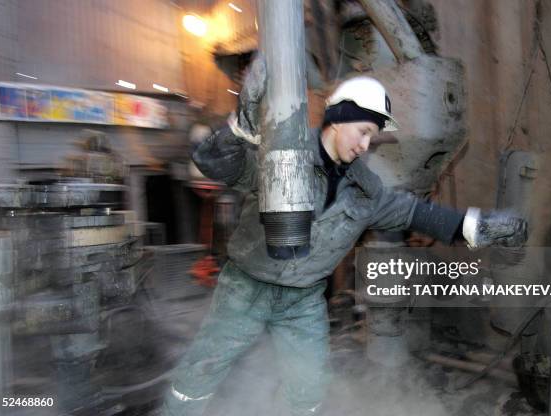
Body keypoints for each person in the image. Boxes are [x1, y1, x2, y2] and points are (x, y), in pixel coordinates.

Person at [162, 57, 527, 416]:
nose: (366, 145)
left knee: (308, 388)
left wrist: (481, 226)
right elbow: (216, 162)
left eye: (373, 136)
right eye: (364, 131)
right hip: (247, 287)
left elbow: (419, 214)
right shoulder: (283, 152)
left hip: (303, 300)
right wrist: (242, 126)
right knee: (201, 371)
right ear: (338, 120)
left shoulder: (367, 191)